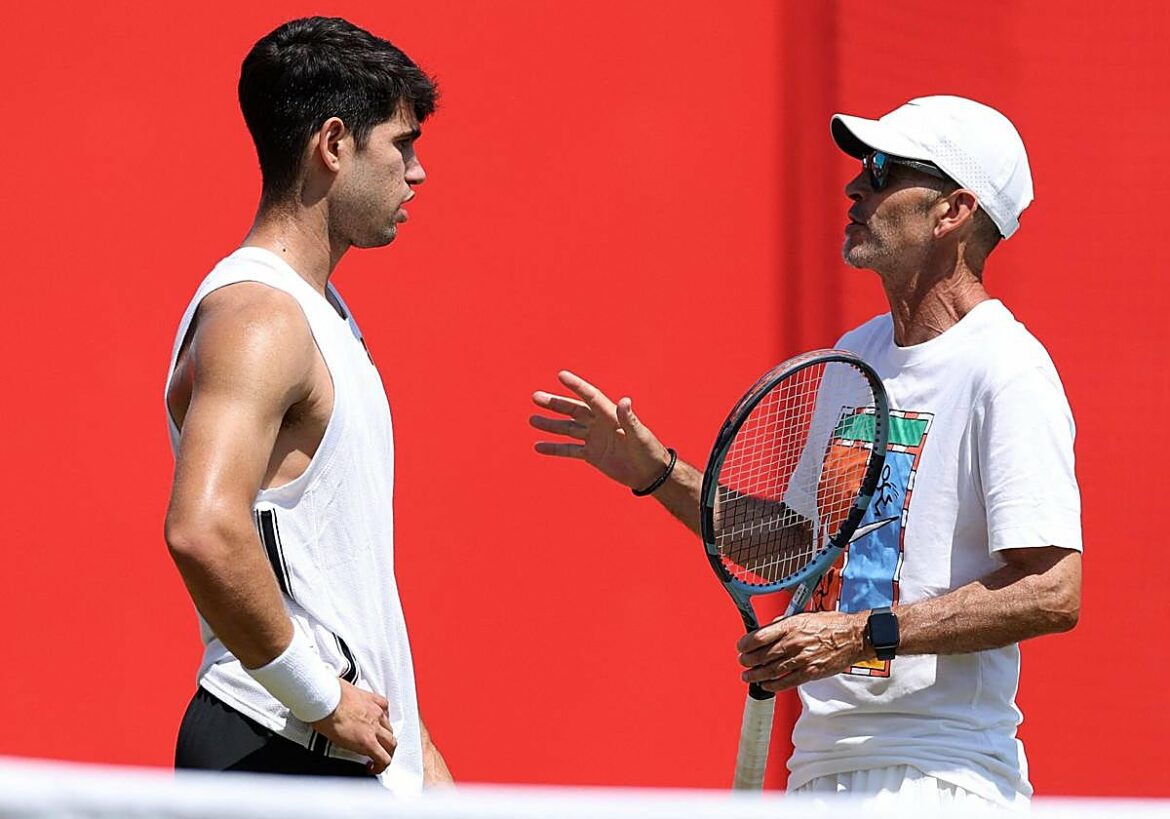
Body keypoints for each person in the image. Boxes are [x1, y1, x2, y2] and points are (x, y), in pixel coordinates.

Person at [530, 95, 1081, 808]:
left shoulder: (1007, 368)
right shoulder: (856, 355)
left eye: (883, 170)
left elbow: (1054, 590)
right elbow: (801, 549)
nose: (856, 186)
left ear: (953, 212)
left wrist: (859, 635)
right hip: (820, 767)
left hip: (941, 776)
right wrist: (658, 473)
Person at [163, 17, 452, 791]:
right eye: (402, 142)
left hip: (340, 754)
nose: (417, 172)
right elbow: (202, 528)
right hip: (275, 749)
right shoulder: (261, 318)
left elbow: (340, 585)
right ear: (333, 144)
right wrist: (323, 697)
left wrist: (420, 757)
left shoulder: (323, 318)